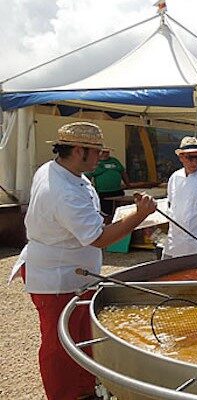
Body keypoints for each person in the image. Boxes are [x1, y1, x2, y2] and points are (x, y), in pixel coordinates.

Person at [8, 122, 157, 400]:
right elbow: (98, 238)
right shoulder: (61, 189)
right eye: (97, 152)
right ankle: (63, 394)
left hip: (76, 272)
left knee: (81, 336)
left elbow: (88, 219)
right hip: (57, 277)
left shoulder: (63, 171)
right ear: (79, 151)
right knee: (59, 342)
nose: (101, 158)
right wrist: (139, 216)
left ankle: (85, 390)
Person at [87, 147, 131, 215]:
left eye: (107, 152)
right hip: (103, 192)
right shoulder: (95, 162)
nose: (105, 154)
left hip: (117, 190)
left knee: (119, 211)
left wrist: (128, 184)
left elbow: (122, 172)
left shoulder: (114, 161)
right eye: (103, 152)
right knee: (106, 212)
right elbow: (88, 176)